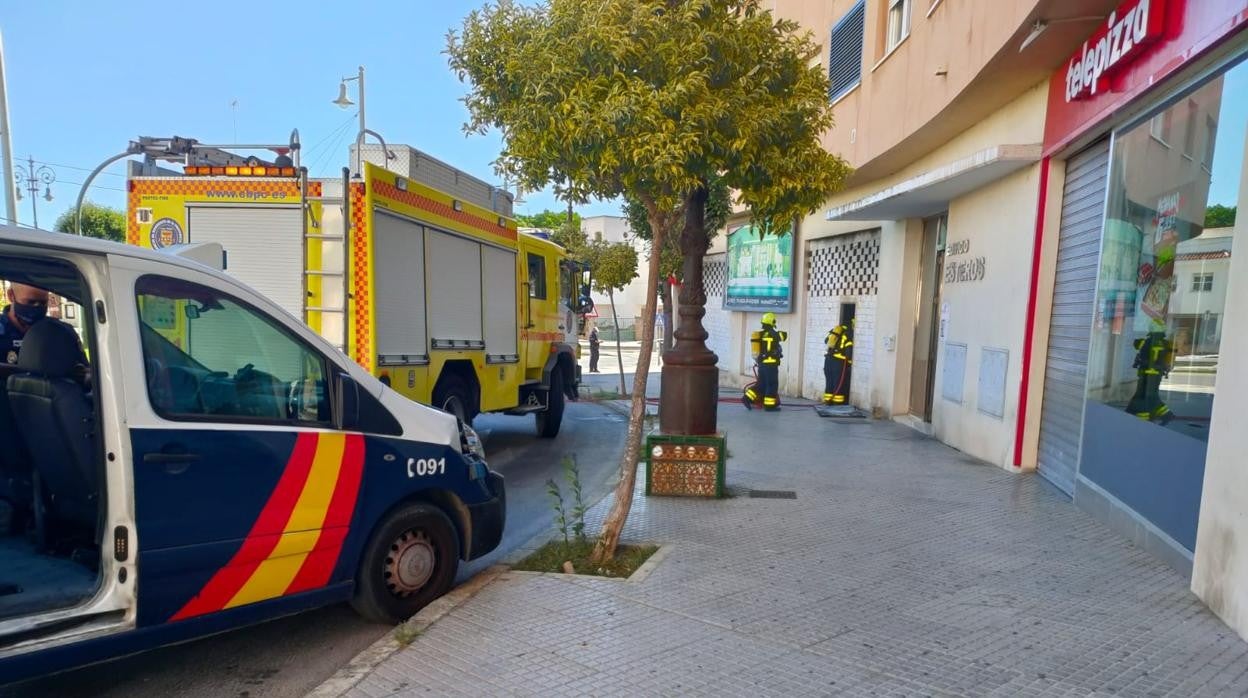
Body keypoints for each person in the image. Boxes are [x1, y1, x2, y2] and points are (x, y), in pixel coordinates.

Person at [0, 282, 51, 366]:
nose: (36, 307)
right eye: (30, 302)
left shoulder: (57, 333)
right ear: (11, 295)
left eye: (43, 303)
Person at [743, 312, 786, 412]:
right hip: (770, 364)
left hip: (762, 364)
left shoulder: (761, 334)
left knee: (761, 384)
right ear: (772, 322)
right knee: (772, 384)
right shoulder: (772, 333)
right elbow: (783, 336)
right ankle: (769, 406)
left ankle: (747, 398)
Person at [823, 319, 854, 406]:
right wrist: (849, 362)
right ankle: (838, 402)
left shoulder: (834, 332)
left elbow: (826, 341)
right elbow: (849, 350)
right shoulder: (848, 335)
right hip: (839, 362)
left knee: (829, 381)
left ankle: (828, 401)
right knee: (838, 382)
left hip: (828, 360)